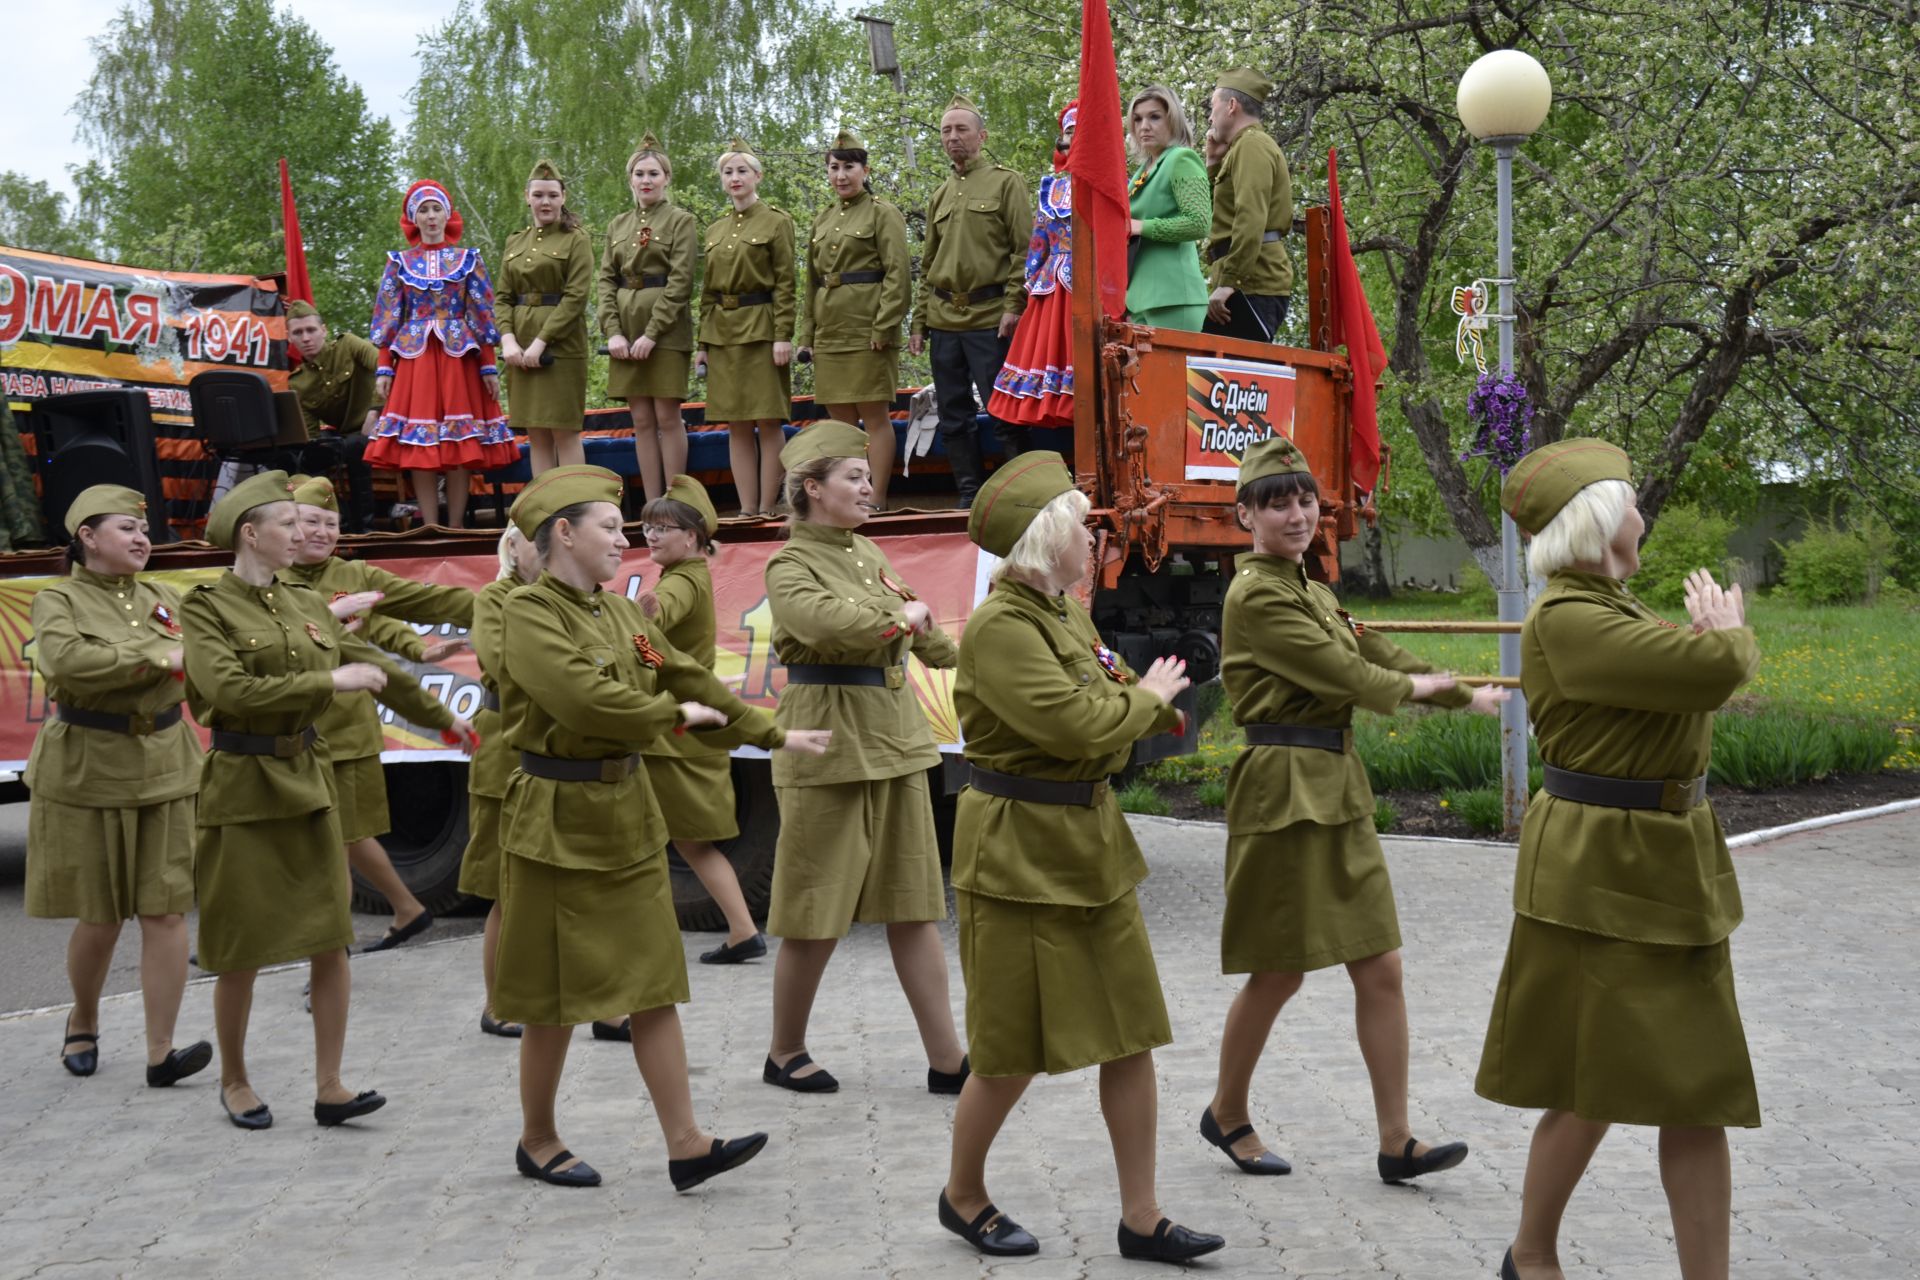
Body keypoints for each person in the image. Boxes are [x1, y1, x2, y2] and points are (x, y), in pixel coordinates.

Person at [492, 464, 830, 1188]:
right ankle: (539, 1136)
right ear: (563, 533)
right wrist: (667, 718)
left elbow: (679, 671)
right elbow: (582, 699)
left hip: (628, 813)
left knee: (652, 982)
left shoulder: (618, 614)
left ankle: (686, 1143)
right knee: (554, 996)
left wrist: (767, 733)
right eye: (610, 528)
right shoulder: (529, 614)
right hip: (557, 819)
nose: (626, 540)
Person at [1477, 440, 1760, 1280]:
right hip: (1599, 879)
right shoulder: (1568, 617)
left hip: (1663, 872)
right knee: (1586, 1086)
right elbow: (1707, 671)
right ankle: (1530, 1256)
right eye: (1632, 503)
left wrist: (1714, 643)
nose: (1643, 516)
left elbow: (1686, 675)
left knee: (1697, 1090)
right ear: (1602, 525)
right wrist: (1729, 636)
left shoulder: (1610, 604)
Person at [940, 452, 1226, 1263]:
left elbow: (1107, 696)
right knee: (1008, 1050)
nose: (1093, 538)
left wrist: (1143, 707)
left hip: (1089, 845)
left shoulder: (1064, 614)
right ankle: (962, 1195)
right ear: (1047, 538)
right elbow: (1077, 723)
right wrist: (1145, 703)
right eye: (1082, 524)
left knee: (1130, 1035)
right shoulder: (1002, 627)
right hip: (1020, 854)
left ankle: (1142, 1217)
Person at [1202, 435, 1504, 1182]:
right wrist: (1425, 692)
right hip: (1284, 787)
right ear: (1246, 516)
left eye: (1305, 499)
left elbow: (1373, 650)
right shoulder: (1258, 593)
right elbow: (1341, 671)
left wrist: (1462, 689)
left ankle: (1396, 1140)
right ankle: (1227, 1112)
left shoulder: (1309, 586)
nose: (1298, 514)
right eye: (1278, 503)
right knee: (1279, 972)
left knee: (1381, 968)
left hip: (1335, 784)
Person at [180, 471, 472, 1131]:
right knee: (242, 944)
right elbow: (227, 692)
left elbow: (374, 665)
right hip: (244, 783)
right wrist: (327, 678)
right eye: (288, 522)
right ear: (251, 533)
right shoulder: (206, 606)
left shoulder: (305, 602)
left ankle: (331, 1084)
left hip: (308, 775)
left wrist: (447, 721)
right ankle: (235, 1079)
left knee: (330, 937)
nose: (303, 531)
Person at [760, 421, 968, 1094]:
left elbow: (928, 629)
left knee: (915, 906)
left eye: (867, 476)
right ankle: (784, 1051)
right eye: (854, 477)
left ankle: (947, 1060)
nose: (868, 487)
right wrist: (902, 623)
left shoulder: (867, 556)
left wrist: (980, 651)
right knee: (816, 912)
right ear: (812, 489)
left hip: (897, 741)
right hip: (829, 746)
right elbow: (828, 626)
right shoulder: (789, 563)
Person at [26, 485, 211, 1087]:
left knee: (165, 912)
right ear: (87, 537)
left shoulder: (164, 596)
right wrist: (161, 658)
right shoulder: (59, 600)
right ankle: (83, 1017)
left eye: (144, 529)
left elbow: (204, 661)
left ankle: (162, 1052)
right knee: (101, 916)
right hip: (90, 767)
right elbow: (67, 663)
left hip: (163, 762)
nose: (142, 539)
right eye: (127, 529)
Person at [284, 474, 477, 950]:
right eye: (312, 521)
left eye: (331, 524)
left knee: (337, 841)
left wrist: (501, 602)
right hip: (286, 729)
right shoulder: (267, 581)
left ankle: (329, 957)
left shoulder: (355, 575)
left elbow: (394, 619)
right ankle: (405, 909)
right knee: (331, 838)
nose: (323, 532)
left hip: (343, 731)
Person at [639, 474, 766, 962]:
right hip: (684, 730)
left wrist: (640, 628)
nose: (650, 535)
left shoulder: (681, 583)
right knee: (688, 843)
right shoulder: (689, 575)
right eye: (648, 527)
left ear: (691, 538)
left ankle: (737, 931)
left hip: (675, 733)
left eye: (663, 528)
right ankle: (741, 931)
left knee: (674, 841)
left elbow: (659, 623)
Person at [364, 180, 519, 528]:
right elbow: (387, 316)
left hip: (458, 359)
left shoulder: (469, 260)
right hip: (415, 362)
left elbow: (483, 313)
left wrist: (488, 367)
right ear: (413, 219)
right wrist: (384, 368)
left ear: (447, 216)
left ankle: (457, 525)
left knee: (458, 442)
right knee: (421, 444)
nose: (431, 216)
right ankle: (430, 524)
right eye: (424, 210)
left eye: (437, 209)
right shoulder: (398, 263)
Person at [908, 95, 1034, 507]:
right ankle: (969, 493)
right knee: (953, 413)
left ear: (981, 136)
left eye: (962, 129)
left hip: (989, 315)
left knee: (1003, 412)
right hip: (944, 317)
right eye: (946, 130)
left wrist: (1014, 305)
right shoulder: (940, 194)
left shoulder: (1005, 182)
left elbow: (1024, 249)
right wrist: (920, 321)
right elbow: (929, 263)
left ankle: (1019, 494)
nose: (953, 137)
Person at [796, 129, 910, 509]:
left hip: (867, 328)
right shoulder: (823, 219)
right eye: (834, 167)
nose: (841, 175)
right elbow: (811, 282)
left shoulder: (882, 213)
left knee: (874, 417)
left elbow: (897, 274)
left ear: (865, 170)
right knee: (841, 422)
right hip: (830, 329)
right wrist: (807, 335)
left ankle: (875, 498)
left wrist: (884, 326)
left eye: (849, 167)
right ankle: (848, 499)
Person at [462, 526, 543, 1039]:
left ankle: (604, 1007)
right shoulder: (495, 598)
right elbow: (502, 664)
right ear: (513, 545)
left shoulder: (573, 597)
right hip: (506, 751)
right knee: (504, 890)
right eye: (535, 538)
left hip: (553, 748)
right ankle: (496, 1005)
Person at [697, 139, 797, 519]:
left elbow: (786, 284)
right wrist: (703, 344)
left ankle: (770, 506)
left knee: (768, 420)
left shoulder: (776, 221)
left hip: (761, 329)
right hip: (722, 334)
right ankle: (746, 508)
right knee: (736, 424)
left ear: (758, 176)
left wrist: (782, 335)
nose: (735, 178)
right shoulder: (715, 230)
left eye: (742, 170)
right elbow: (707, 293)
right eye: (727, 171)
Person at [600, 134, 698, 502]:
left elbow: (681, 280)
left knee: (667, 416)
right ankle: (653, 502)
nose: (646, 180)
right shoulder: (618, 224)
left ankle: (676, 501)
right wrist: (613, 332)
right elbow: (606, 280)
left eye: (653, 173)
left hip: (665, 333)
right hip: (625, 330)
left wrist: (652, 333)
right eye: (639, 173)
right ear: (630, 180)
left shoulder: (680, 221)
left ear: (666, 178)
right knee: (640, 420)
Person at [499, 160, 594, 477]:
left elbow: (576, 297)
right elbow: (503, 297)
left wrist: (541, 342)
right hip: (519, 349)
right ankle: (546, 512)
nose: (545, 202)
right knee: (536, 434)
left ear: (563, 197)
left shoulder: (576, 239)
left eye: (552, 195)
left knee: (564, 431)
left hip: (561, 348)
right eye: (538, 195)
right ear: (526, 196)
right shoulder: (515, 241)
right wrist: (508, 338)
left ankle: (576, 509)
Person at [986, 102, 1077, 431]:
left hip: (1091, 289)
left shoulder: (1115, 184)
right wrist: (1028, 290)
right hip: (1052, 293)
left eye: (1082, 131)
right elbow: (1038, 243)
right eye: (1068, 131)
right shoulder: (1052, 188)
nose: (1074, 137)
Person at [1202, 69, 1293, 343]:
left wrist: (1231, 282)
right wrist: (1213, 165)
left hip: (1253, 285)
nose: (1209, 116)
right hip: (1243, 283)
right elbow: (1214, 218)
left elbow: (1250, 217)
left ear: (1231, 106)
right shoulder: (1239, 148)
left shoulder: (1251, 146)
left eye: (1212, 106)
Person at [286, 301, 382, 533]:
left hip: (383, 425)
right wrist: (310, 448)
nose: (306, 338)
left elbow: (386, 367)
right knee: (304, 456)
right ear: (289, 338)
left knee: (356, 446)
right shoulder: (297, 382)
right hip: (346, 437)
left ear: (324, 330)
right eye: (298, 333)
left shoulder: (348, 345)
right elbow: (310, 434)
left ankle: (365, 530)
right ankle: (337, 524)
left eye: (311, 330)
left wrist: (376, 409)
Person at [1125, 86, 1211, 332]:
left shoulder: (1181, 158)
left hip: (1174, 297)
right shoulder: (1143, 170)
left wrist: (1142, 226)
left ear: (1172, 120)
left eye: (1154, 117)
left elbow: (1199, 223)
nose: (1144, 126)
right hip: (1140, 299)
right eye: (1138, 119)